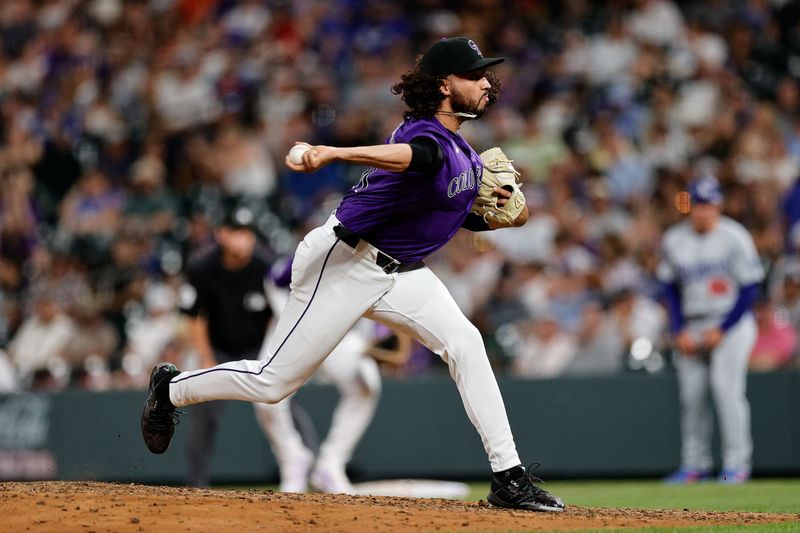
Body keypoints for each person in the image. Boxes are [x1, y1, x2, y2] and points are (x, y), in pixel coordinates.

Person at [141, 36, 564, 512]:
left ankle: (509, 476)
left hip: (402, 272)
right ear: (445, 85)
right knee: (274, 383)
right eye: (475, 75)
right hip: (343, 262)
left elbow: (452, 212)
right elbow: (416, 158)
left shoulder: (464, 152)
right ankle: (170, 389)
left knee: (465, 343)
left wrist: (500, 217)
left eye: (486, 74)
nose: (487, 83)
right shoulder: (422, 136)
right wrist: (333, 152)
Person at [253, 255, 397, 494]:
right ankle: (292, 459)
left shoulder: (382, 260)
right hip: (294, 328)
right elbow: (275, 278)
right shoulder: (320, 251)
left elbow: (381, 305)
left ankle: (331, 465)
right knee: (263, 396)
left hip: (338, 332)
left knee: (367, 385)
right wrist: (290, 318)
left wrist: (374, 337)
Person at [658, 175, 764, 485]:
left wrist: (724, 329)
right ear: (690, 207)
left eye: (708, 204)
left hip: (731, 322)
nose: (702, 211)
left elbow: (750, 289)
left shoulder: (735, 237)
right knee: (691, 398)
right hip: (694, 323)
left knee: (726, 390)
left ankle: (737, 466)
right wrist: (678, 329)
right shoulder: (674, 239)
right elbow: (670, 289)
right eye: (698, 205)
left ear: (718, 205)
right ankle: (695, 465)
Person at [178, 205, 273, 487]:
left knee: (283, 401)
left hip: (258, 348)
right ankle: (197, 483)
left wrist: (272, 358)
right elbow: (194, 318)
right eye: (236, 231)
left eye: (247, 232)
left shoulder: (266, 267)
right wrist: (207, 358)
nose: (243, 239)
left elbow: (279, 315)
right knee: (203, 406)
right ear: (221, 234)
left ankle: (310, 469)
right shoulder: (202, 266)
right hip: (217, 348)